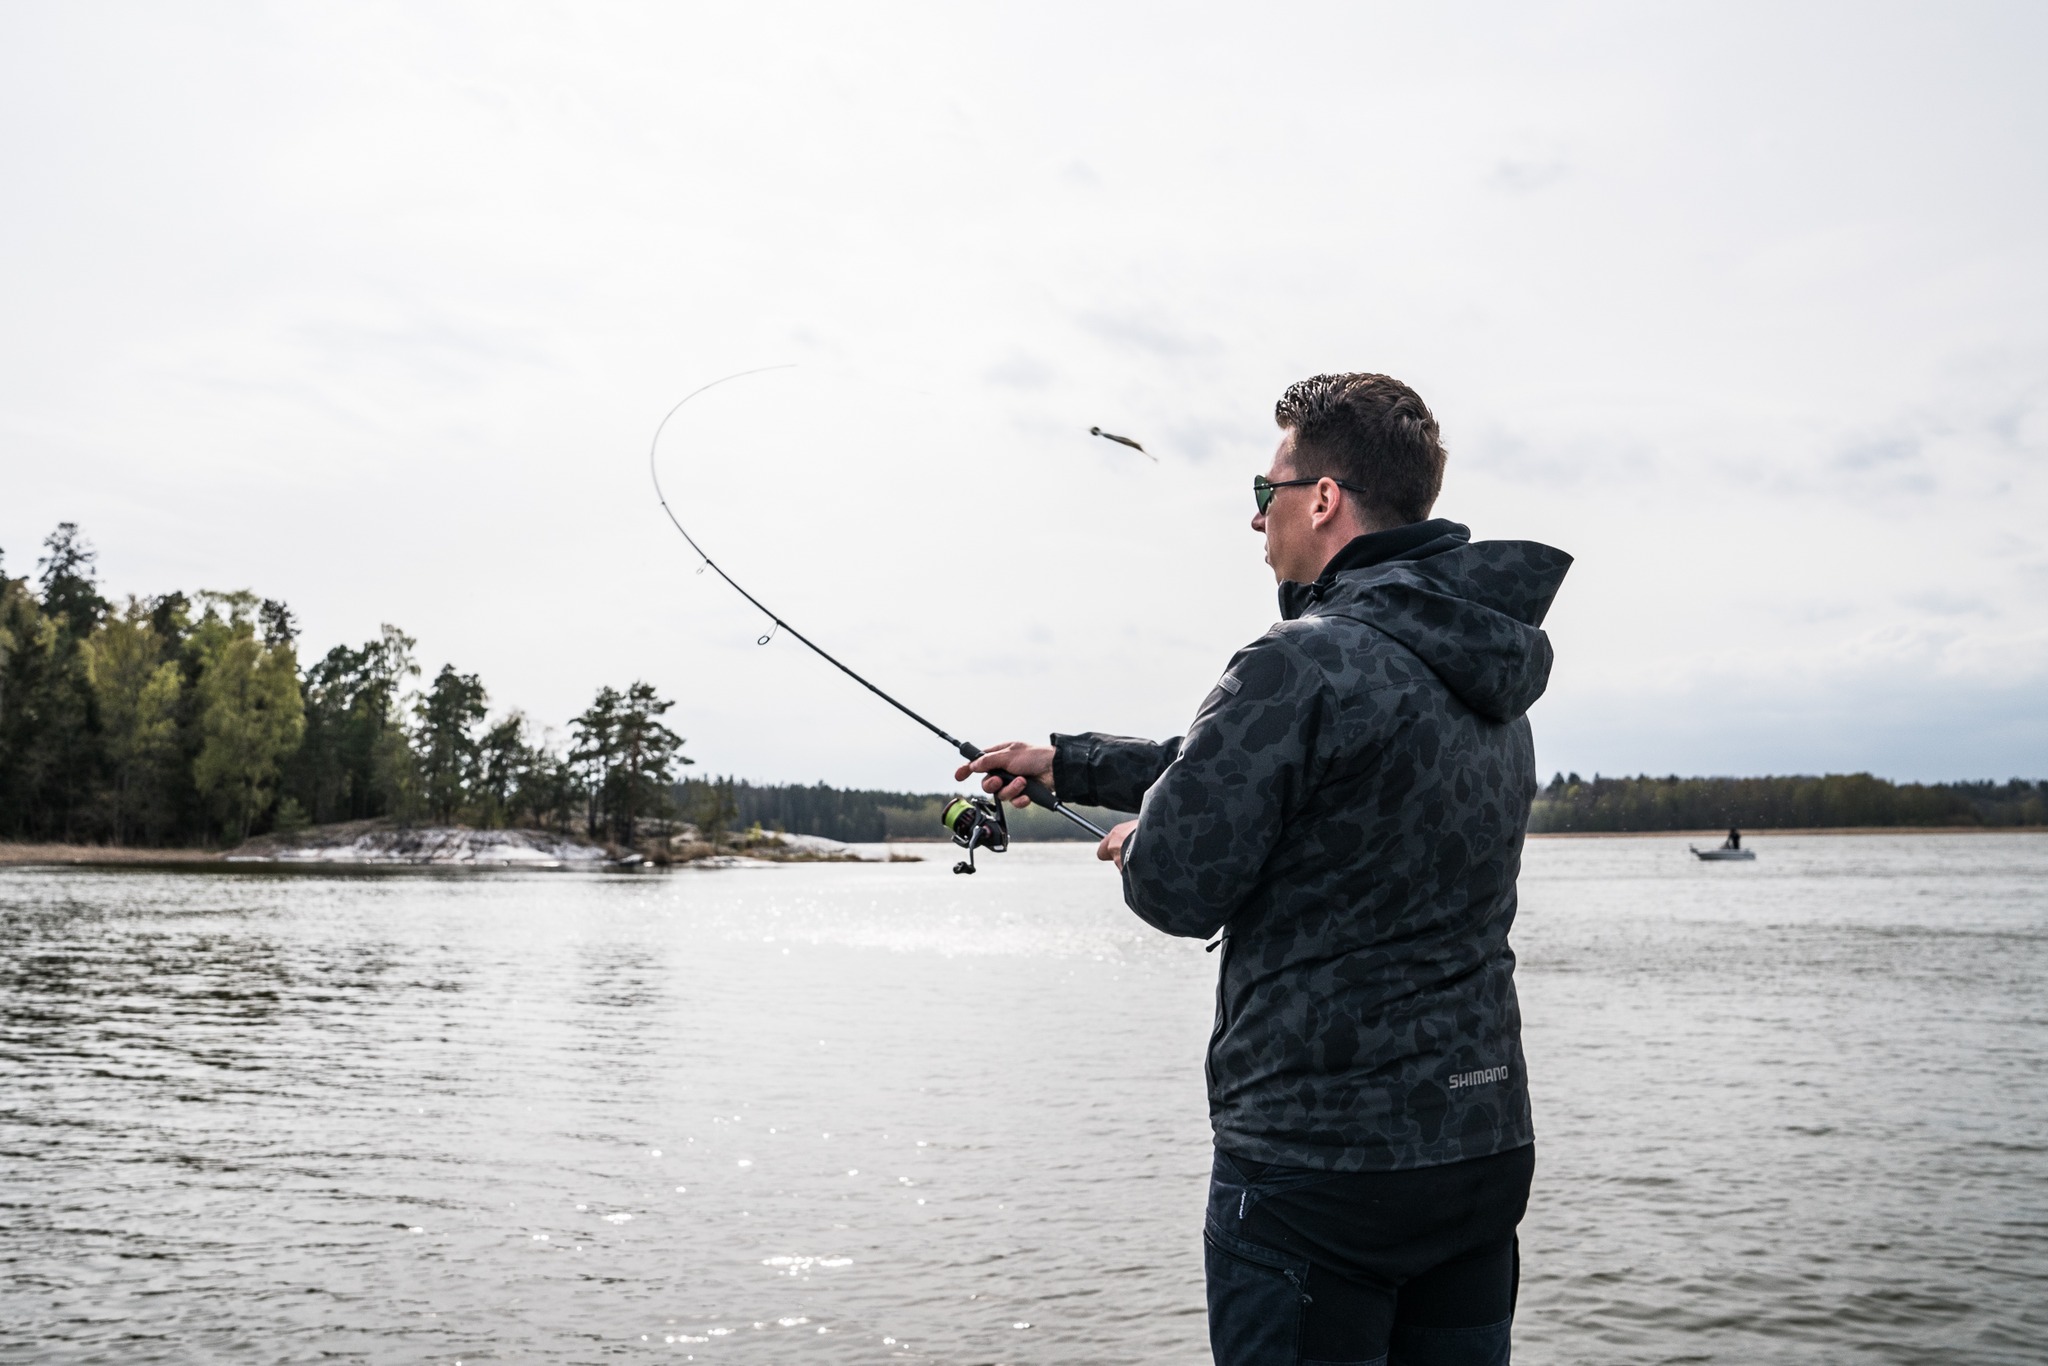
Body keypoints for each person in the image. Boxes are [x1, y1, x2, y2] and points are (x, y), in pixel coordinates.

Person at [961, 373, 1571, 1366]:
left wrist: (1146, 839)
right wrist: (1073, 764)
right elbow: (1289, 779)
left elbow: (1176, 884)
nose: (1255, 517)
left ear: (1321, 498)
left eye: (1266, 486)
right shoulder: (1483, 676)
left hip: (1318, 1168)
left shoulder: (1297, 661)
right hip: (1479, 1148)